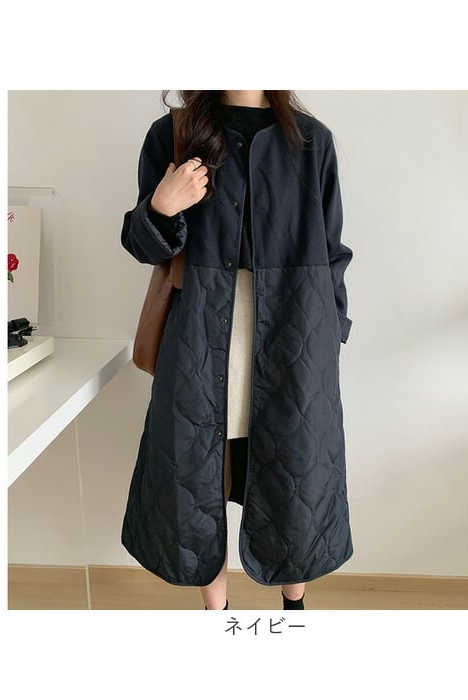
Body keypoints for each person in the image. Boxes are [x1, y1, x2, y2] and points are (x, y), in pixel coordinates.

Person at [121, 90, 354, 611]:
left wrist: (332, 331)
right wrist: (161, 207)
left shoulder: (311, 140)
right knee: (196, 473)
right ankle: (218, 613)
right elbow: (143, 247)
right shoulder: (174, 134)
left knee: (297, 470)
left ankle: (293, 607)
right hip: (200, 333)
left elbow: (333, 250)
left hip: (295, 334)